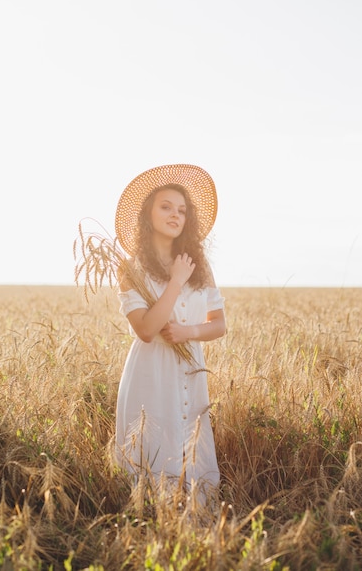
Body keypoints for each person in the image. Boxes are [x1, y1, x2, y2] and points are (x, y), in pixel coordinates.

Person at [113, 164, 227, 501]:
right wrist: (176, 282)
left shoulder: (198, 265)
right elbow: (146, 330)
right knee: (155, 444)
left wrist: (188, 331)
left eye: (182, 210)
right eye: (166, 207)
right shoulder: (131, 268)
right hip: (151, 373)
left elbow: (219, 324)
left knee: (190, 442)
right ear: (147, 214)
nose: (175, 215)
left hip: (192, 368)